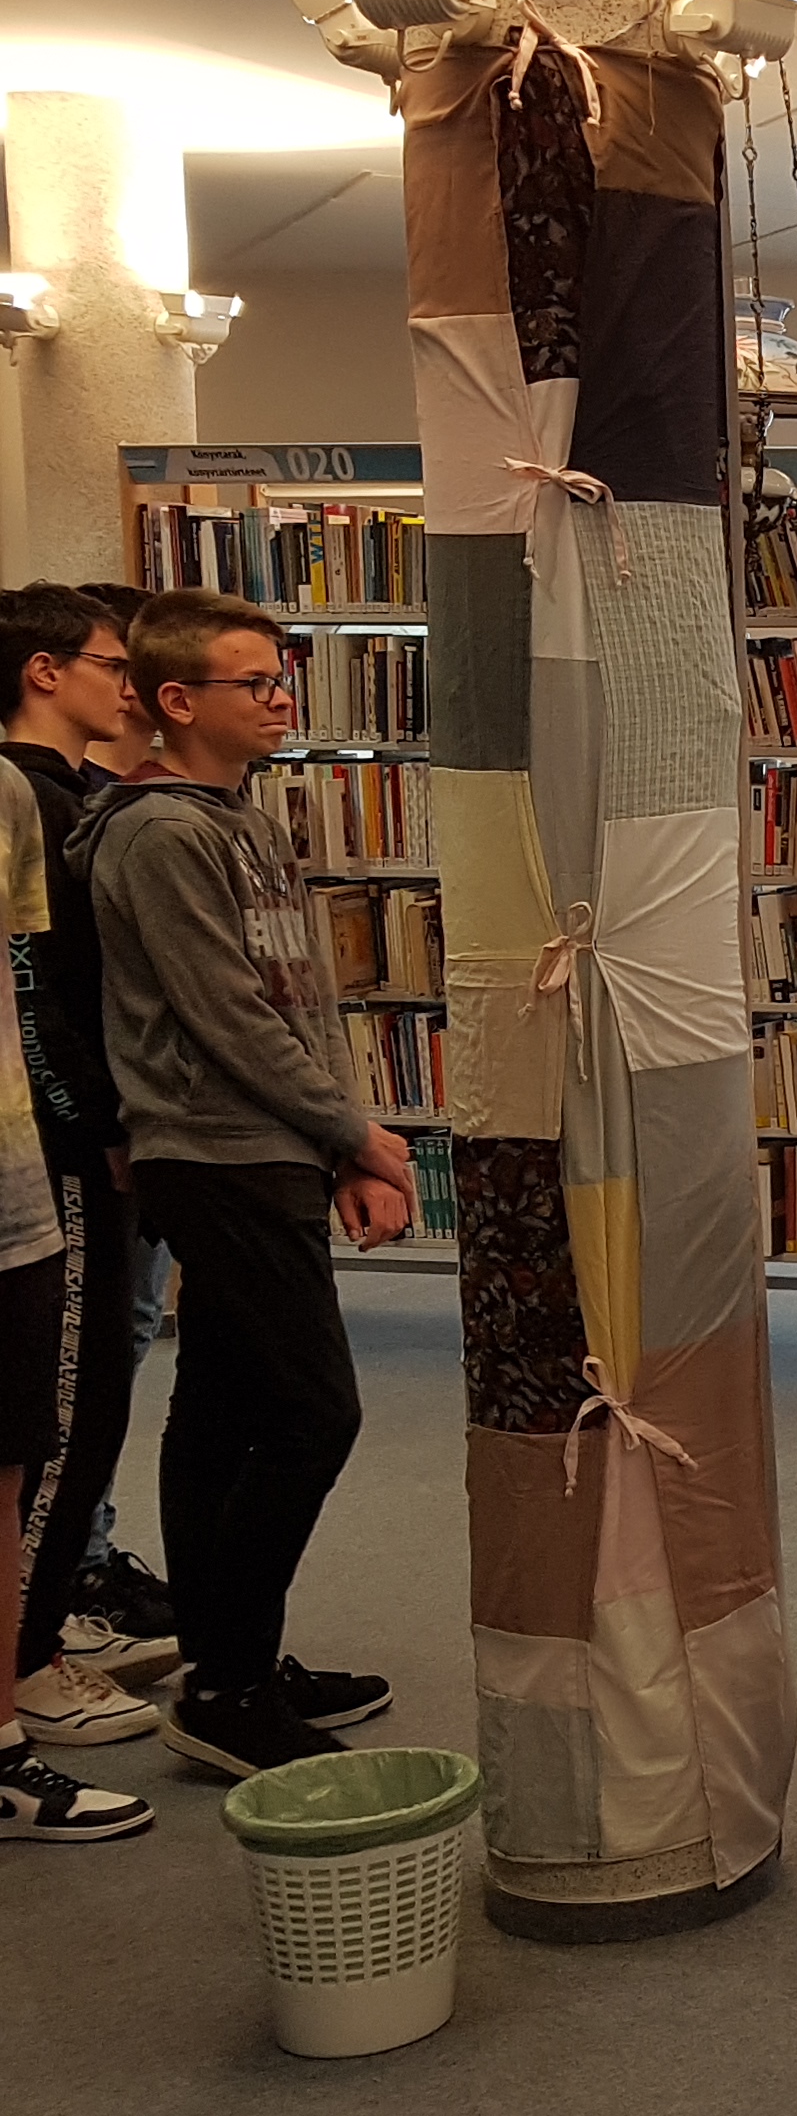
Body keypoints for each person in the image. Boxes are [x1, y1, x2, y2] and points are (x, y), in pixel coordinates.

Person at [74, 589, 413, 1778]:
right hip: (212, 1151)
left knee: (218, 1407)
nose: (279, 700)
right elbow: (224, 1015)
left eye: (281, 678)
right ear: (176, 701)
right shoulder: (159, 834)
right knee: (316, 1413)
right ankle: (227, 1680)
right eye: (253, 683)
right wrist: (356, 1134)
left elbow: (301, 997)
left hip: (272, 1145)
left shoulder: (245, 822)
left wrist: (341, 1145)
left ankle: (231, 1663)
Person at [2, 586, 165, 1753]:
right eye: (113, 663)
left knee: (96, 1391)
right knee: (65, 1407)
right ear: (45, 672)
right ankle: (26, 1654)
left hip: (87, 1140)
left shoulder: (85, 801)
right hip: (61, 1155)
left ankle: (49, 1613)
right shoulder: (30, 803)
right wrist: (98, 1127)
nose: (129, 685)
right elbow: (39, 1000)